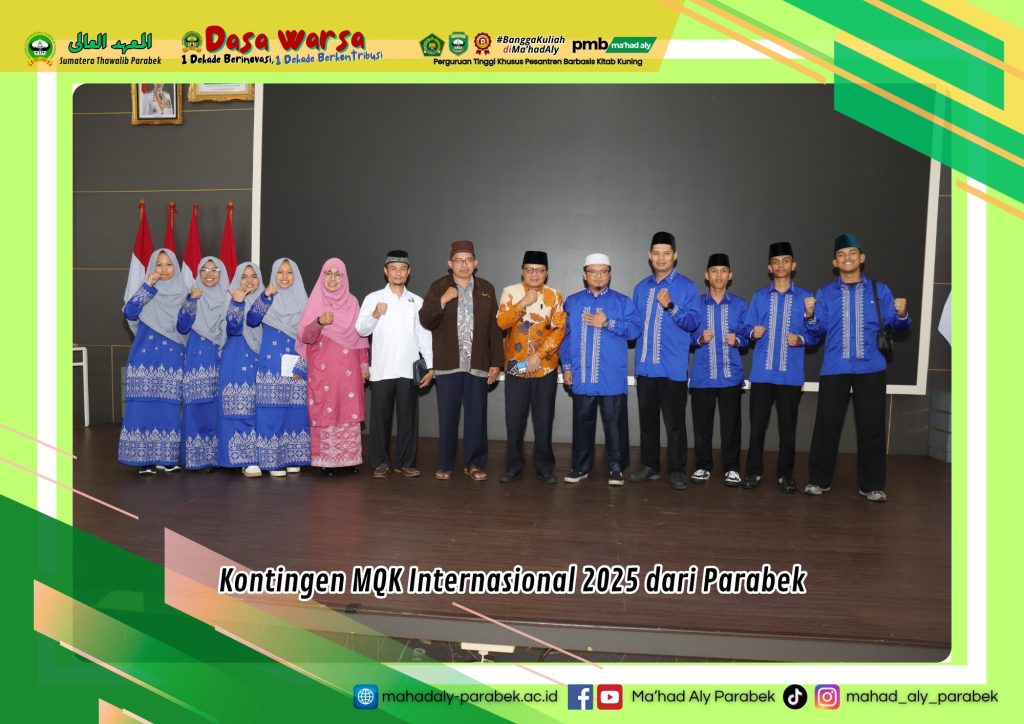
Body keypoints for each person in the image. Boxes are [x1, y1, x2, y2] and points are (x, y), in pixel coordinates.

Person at [803, 233, 912, 502]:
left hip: (871, 367)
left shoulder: (879, 290)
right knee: (826, 426)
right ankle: (818, 480)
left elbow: (897, 327)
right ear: (835, 262)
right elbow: (817, 332)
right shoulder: (825, 293)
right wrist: (810, 316)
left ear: (862, 258)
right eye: (841, 255)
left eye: (852, 253)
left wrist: (901, 314)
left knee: (872, 427)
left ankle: (872, 485)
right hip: (835, 367)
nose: (847, 258)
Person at [419, 240, 503, 481]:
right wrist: (442, 300)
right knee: (448, 417)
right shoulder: (439, 287)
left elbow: (495, 328)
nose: (464, 265)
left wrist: (496, 361)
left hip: (478, 363)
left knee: (477, 417)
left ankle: (474, 464)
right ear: (450, 263)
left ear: (475, 263)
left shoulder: (486, 288)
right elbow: (425, 319)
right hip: (448, 363)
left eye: (468, 260)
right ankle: (445, 464)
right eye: (459, 260)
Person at [740, 242, 819, 492]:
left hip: (790, 375)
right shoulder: (759, 297)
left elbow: (816, 334)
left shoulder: (806, 298)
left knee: (788, 429)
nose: (781, 265)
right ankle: (753, 473)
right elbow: (745, 329)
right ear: (769, 268)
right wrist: (752, 332)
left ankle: (786, 475)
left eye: (785, 261)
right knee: (756, 428)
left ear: (793, 266)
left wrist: (801, 338)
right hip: (762, 374)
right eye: (776, 262)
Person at [559, 253, 642, 486]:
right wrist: (567, 367)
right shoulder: (572, 302)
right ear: (585, 275)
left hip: (611, 375)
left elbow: (635, 331)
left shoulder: (622, 302)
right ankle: (580, 467)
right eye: (593, 272)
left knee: (615, 424)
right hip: (581, 374)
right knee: (581, 422)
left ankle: (617, 468)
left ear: (610, 274)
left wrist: (607, 323)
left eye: (603, 271)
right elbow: (564, 337)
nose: (598, 276)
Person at [629, 231, 701, 490]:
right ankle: (650, 466)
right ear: (650, 256)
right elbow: (634, 325)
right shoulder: (641, 288)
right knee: (647, 422)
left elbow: (694, 323)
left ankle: (677, 470)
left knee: (675, 424)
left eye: (666, 253)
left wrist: (671, 306)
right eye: (656, 253)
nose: (661, 258)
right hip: (646, 367)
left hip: (673, 369)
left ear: (675, 256)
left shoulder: (687, 287)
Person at [355, 250, 434, 479]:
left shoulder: (417, 301)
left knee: (408, 419)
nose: (397, 273)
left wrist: (431, 367)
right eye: (393, 269)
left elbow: (424, 337)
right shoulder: (373, 298)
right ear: (385, 271)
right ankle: (380, 463)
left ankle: (405, 463)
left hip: (409, 369)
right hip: (382, 369)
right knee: (380, 420)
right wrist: (375, 314)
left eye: (402, 269)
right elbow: (361, 329)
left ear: (409, 272)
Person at [496, 251, 566, 484]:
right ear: (522, 271)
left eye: (539, 270)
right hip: (516, 367)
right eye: (530, 269)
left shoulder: (555, 295)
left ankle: (545, 466)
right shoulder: (510, 292)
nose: (534, 274)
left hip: (545, 367)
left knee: (543, 420)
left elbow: (559, 330)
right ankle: (514, 465)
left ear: (546, 272)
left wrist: (539, 355)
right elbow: (501, 323)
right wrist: (521, 304)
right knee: (514, 420)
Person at [296, 259, 369, 476]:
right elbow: (305, 337)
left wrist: (364, 365)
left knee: (347, 409)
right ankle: (326, 461)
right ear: (322, 276)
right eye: (328, 273)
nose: (333, 278)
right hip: (323, 368)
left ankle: (348, 460)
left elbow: (360, 337)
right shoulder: (315, 302)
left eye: (338, 274)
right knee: (325, 409)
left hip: (349, 368)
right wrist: (319, 322)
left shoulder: (352, 302)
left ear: (344, 278)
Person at [118, 248, 187, 474]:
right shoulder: (146, 291)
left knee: (168, 407)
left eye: (169, 264)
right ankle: (143, 459)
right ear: (152, 268)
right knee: (142, 407)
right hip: (145, 358)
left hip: (172, 357)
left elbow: (186, 326)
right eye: (159, 264)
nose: (164, 269)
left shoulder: (184, 292)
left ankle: (166, 458)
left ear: (175, 267)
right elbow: (130, 312)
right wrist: (148, 286)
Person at [247, 258, 311, 478]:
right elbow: (252, 319)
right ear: (274, 275)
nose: (284, 277)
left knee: (295, 413)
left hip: (296, 366)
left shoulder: (305, 303)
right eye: (280, 272)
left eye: (289, 272)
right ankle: (272, 460)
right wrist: (265, 296)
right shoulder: (266, 298)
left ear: (296, 276)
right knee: (271, 412)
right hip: (271, 365)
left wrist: (302, 366)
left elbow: (310, 339)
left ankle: (293, 458)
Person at [689, 253, 749, 486]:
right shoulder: (696, 303)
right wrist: (700, 339)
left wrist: (738, 340)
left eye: (723, 271)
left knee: (731, 425)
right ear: (707, 275)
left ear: (730, 275)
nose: (719, 275)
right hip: (703, 375)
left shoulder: (740, 304)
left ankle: (732, 468)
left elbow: (748, 335)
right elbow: (685, 335)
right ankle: (703, 466)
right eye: (714, 271)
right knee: (702, 424)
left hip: (730, 375)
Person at [176, 256, 229, 471]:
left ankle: (216, 458)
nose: (209, 274)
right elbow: (182, 326)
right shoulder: (192, 296)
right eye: (204, 270)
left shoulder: (229, 297)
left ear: (221, 273)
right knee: (197, 407)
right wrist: (191, 300)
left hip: (221, 359)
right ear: (198, 273)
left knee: (216, 408)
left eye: (214, 270)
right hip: (197, 361)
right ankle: (196, 458)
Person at [218, 261, 265, 476]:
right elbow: (233, 328)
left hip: (261, 358)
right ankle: (241, 458)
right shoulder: (230, 300)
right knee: (238, 406)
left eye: (253, 276)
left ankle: (258, 457)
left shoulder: (267, 301)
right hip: (236, 357)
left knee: (258, 408)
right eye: (244, 276)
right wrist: (237, 303)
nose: (248, 281)